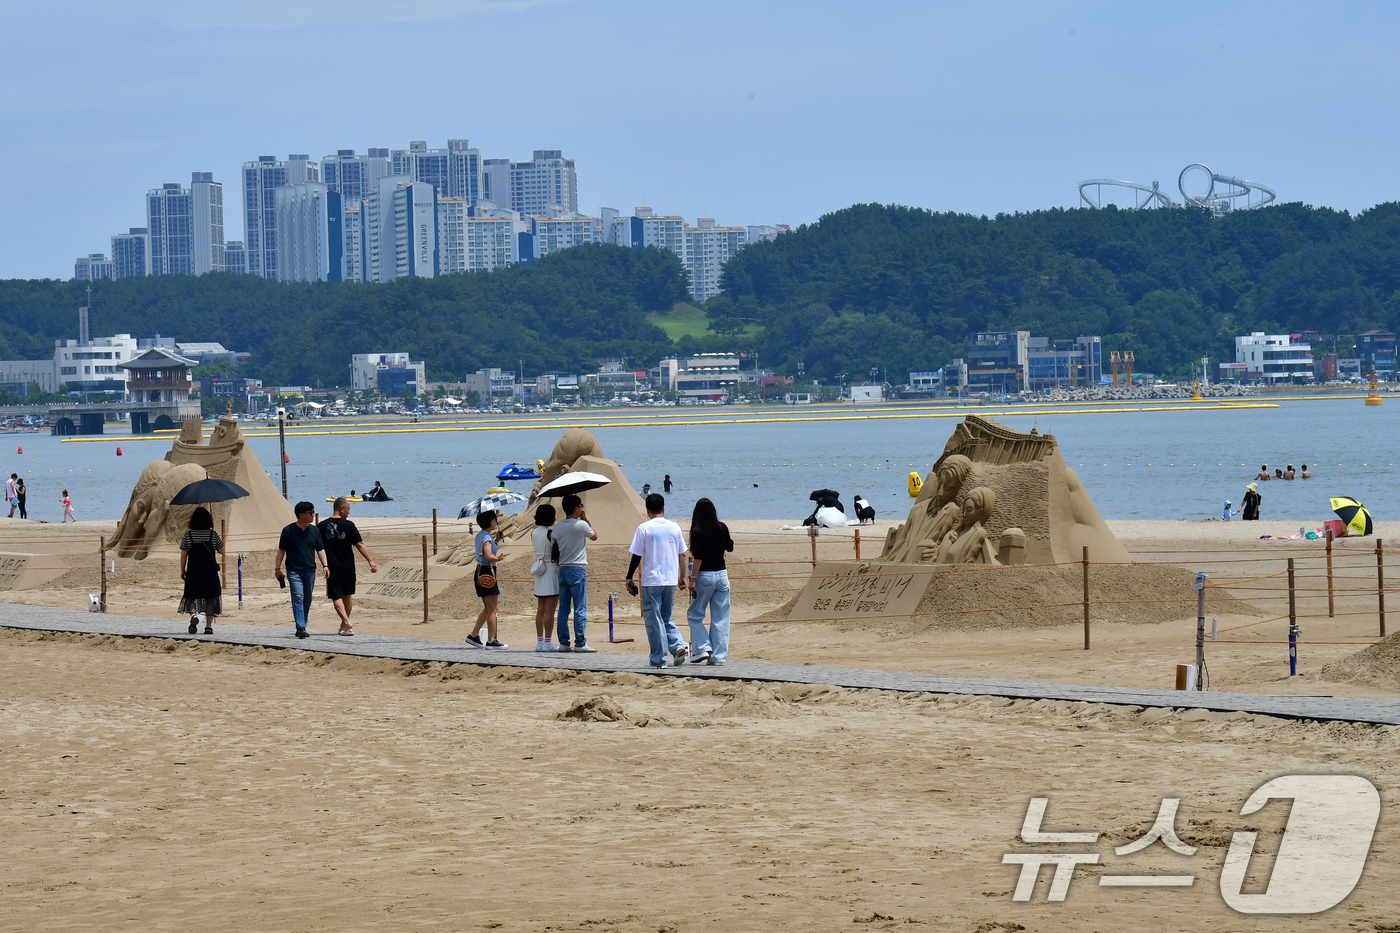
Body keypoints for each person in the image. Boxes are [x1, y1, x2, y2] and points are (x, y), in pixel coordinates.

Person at [626, 493, 689, 669]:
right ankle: (677, 646)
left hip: (652, 580)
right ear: (663, 508)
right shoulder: (674, 527)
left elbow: (637, 555)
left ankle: (658, 660)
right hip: (669, 579)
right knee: (665, 617)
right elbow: (682, 553)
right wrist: (682, 576)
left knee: (654, 620)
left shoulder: (644, 528)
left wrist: (629, 576)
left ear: (647, 510)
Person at [318, 496, 378, 636]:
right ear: (341, 509)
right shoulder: (349, 525)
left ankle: (345, 624)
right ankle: (346, 624)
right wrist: (370, 560)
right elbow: (359, 544)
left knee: (336, 596)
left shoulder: (321, 526)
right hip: (347, 566)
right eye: (348, 509)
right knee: (347, 595)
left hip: (331, 566)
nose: (349, 513)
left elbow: (315, 545)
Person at [685, 497, 732, 666]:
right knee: (721, 617)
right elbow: (730, 547)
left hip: (704, 575)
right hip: (722, 574)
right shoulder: (721, 527)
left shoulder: (698, 530)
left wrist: (693, 578)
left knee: (695, 614)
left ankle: (703, 648)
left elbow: (698, 557)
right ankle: (718, 657)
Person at [274, 501, 329, 638]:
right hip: (294, 570)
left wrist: (325, 566)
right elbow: (281, 551)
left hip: (310, 570)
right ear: (301, 515)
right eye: (310, 513)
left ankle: (303, 624)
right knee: (298, 597)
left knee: (307, 599)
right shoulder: (288, 531)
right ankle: (300, 627)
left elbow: (320, 550)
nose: (312, 515)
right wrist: (277, 568)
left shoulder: (315, 531)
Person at [553, 494, 598, 652]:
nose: (582, 509)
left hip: (563, 568)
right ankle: (580, 642)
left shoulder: (558, 527)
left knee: (564, 608)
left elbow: (554, 547)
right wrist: (586, 519)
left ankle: (564, 642)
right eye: (580, 506)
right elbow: (594, 536)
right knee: (580, 606)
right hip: (577, 567)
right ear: (576, 508)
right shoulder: (581, 525)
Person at [465, 510, 509, 650]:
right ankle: (491, 641)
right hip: (487, 572)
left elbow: (486, 550)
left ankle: (473, 635)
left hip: (480, 572)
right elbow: (489, 556)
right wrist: (499, 558)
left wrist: (496, 540)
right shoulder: (487, 537)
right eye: (495, 519)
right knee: (493, 609)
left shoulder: (481, 535)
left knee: (488, 608)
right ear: (490, 521)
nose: (496, 522)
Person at [179, 507, 224, 635]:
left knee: (190, 596)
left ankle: (194, 616)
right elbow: (222, 551)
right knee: (210, 598)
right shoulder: (212, 534)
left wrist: (183, 570)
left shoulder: (188, 535)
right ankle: (208, 627)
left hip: (194, 571)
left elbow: (183, 555)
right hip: (209, 572)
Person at [531, 504, 561, 652]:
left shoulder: (534, 533)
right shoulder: (551, 533)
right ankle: (548, 641)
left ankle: (540, 641)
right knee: (550, 610)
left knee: (540, 610)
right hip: (551, 571)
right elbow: (556, 556)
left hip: (540, 571)